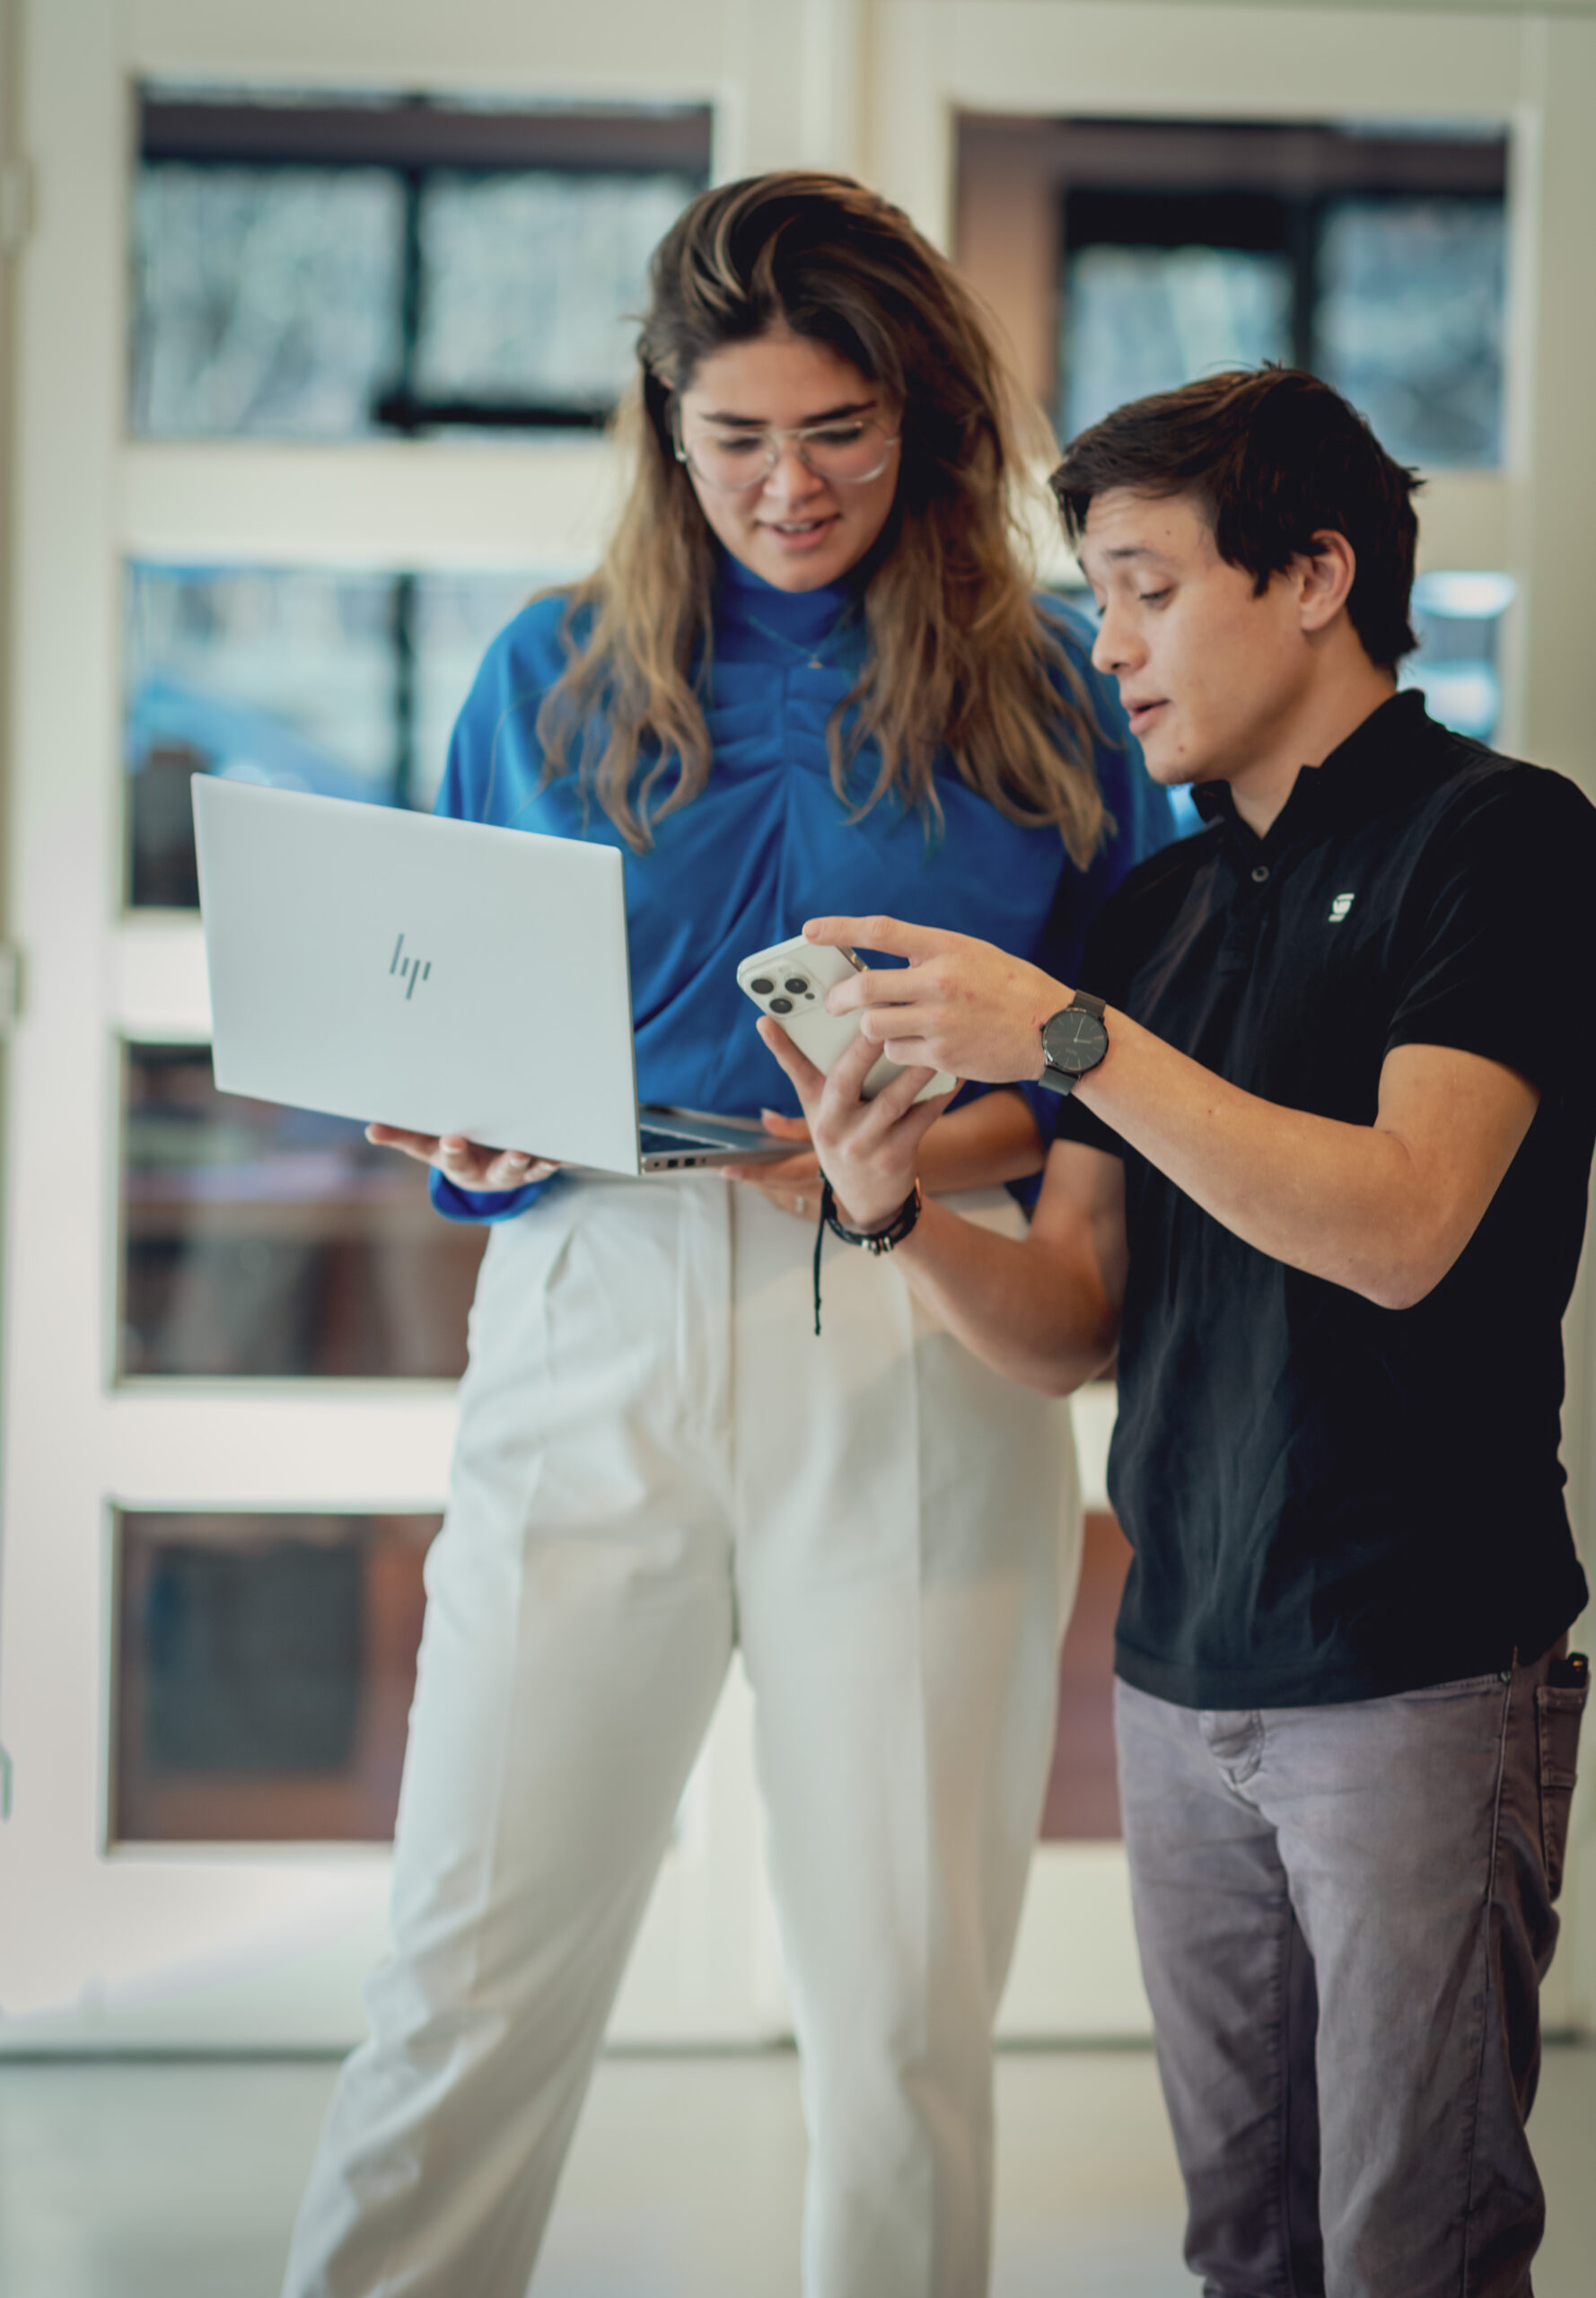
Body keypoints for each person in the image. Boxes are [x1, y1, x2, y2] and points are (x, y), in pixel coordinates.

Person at [280, 172, 1172, 2298]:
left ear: (929, 420)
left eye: (840, 431)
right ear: (664, 435)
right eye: (737, 438)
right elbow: (467, 1018)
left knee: (899, 2013)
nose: (788, 486)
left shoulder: (1059, 686)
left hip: (923, 1324)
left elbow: (1110, 1050)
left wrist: (952, 1130)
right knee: (471, 1966)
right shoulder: (552, 671)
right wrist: (468, 1135)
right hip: (600, 1291)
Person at [764, 366, 1594, 2298]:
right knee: (1243, 2249)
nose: (1108, 648)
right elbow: (1071, 1319)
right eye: (1095, 596)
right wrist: (884, 1205)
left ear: (1313, 574)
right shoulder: (1153, 913)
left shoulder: (1504, 841)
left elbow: (1403, 1224)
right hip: (1174, 1668)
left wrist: (1067, 1043)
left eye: (1142, 587)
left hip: (1414, 1674)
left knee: (1414, 2247)